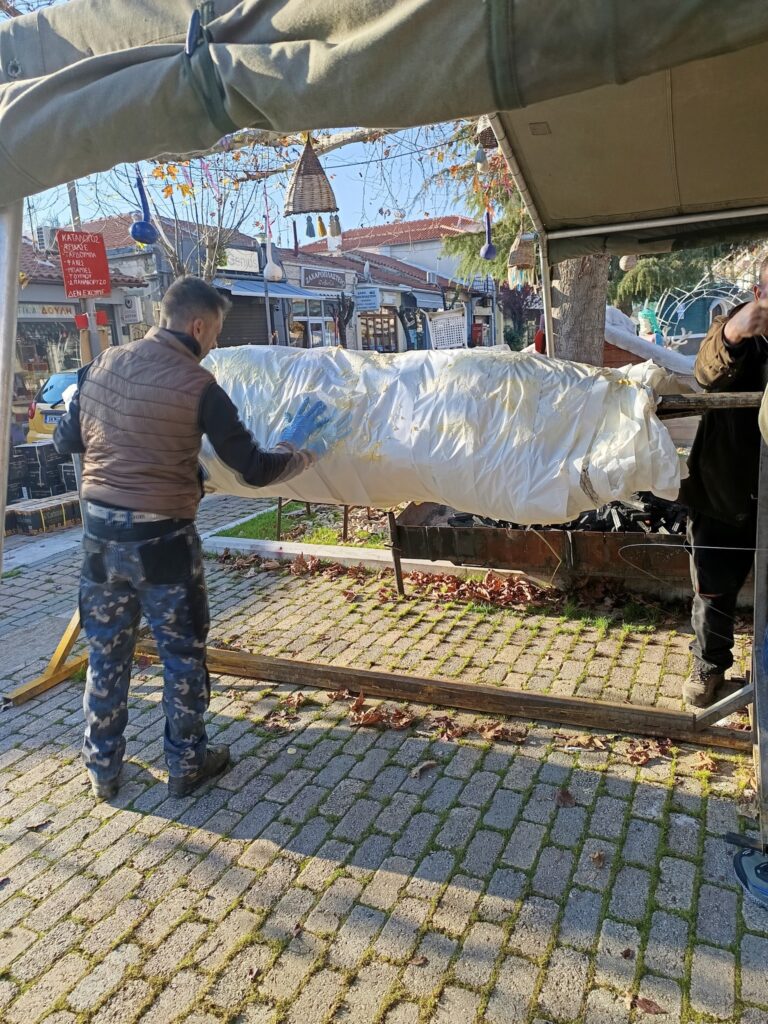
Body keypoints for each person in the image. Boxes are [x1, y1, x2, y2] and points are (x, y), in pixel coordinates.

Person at [54, 276, 343, 799]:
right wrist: (298, 450)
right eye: (215, 332)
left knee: (106, 655)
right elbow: (254, 468)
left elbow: (65, 440)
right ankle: (187, 763)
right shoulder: (199, 386)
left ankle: (102, 768)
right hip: (163, 544)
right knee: (181, 656)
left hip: (100, 539)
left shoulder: (100, 366)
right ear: (197, 326)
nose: (215, 343)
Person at [679, 258, 768, 706]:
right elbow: (706, 373)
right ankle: (710, 664)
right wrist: (734, 333)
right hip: (723, 485)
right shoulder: (731, 328)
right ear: (759, 294)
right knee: (713, 589)